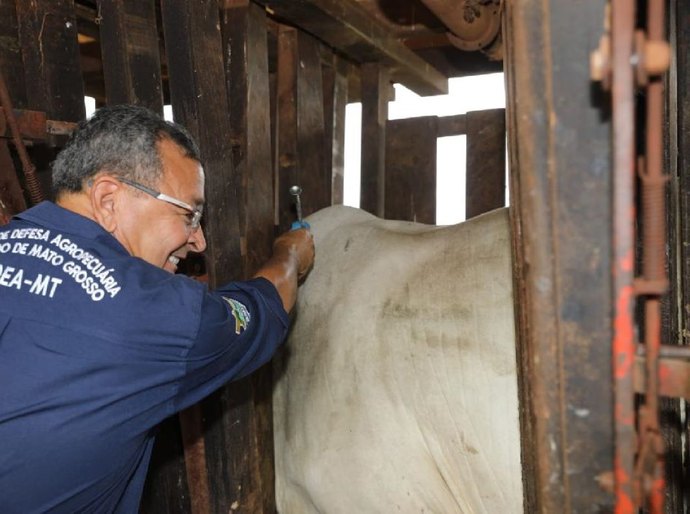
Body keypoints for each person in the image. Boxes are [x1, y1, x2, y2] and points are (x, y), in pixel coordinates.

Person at [0, 105, 314, 512]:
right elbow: (265, 305)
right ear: (108, 199)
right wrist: (290, 255)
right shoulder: (151, 311)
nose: (198, 241)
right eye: (189, 214)